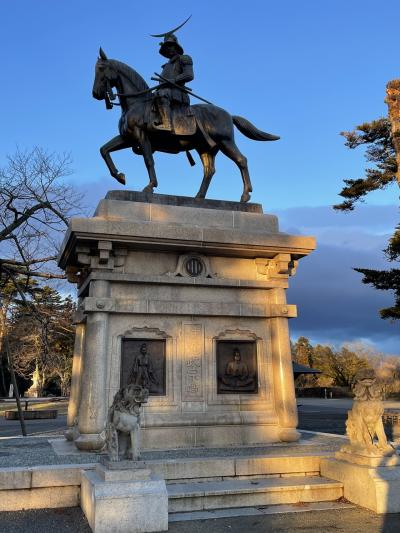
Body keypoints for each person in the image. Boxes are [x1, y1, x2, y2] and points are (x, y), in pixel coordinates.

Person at [153, 33, 194, 131]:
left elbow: (189, 75)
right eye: (166, 47)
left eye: (170, 46)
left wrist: (173, 80)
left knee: (161, 94)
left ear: (176, 46)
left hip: (177, 93)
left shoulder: (184, 58)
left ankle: (167, 124)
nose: (168, 49)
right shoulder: (166, 66)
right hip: (166, 92)